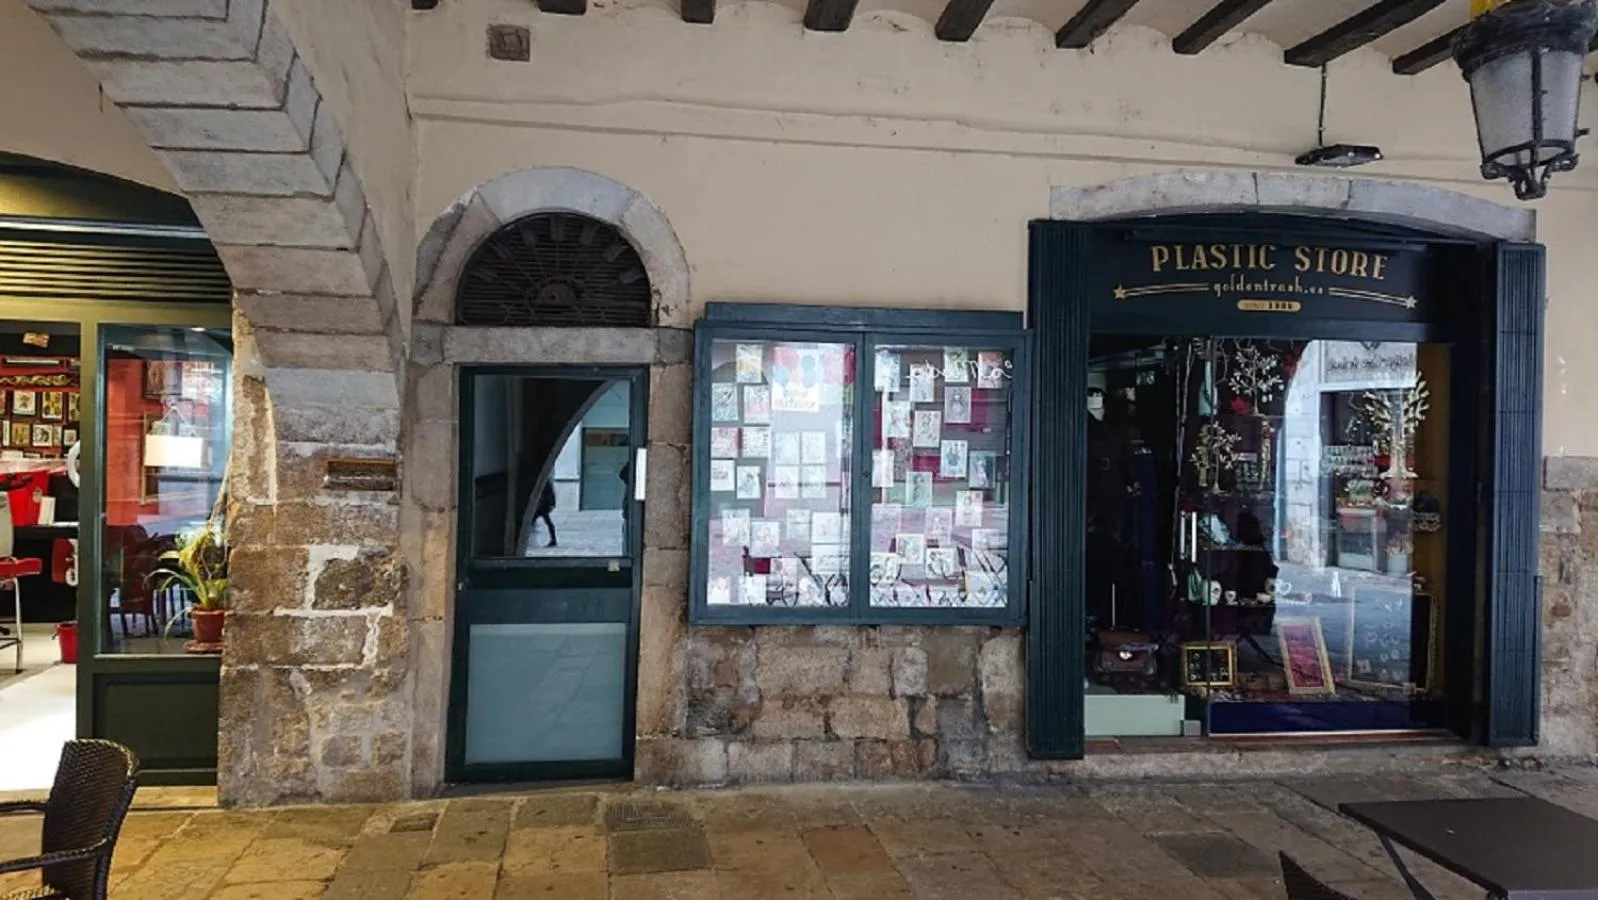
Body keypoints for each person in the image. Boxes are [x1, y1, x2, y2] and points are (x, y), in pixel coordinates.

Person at [533, 480, 557, 547]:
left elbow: (550, 494)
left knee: (532, 520)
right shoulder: (546, 483)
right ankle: (553, 539)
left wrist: (551, 504)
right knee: (548, 522)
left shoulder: (545, 483)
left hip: (543, 505)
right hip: (543, 505)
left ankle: (553, 540)